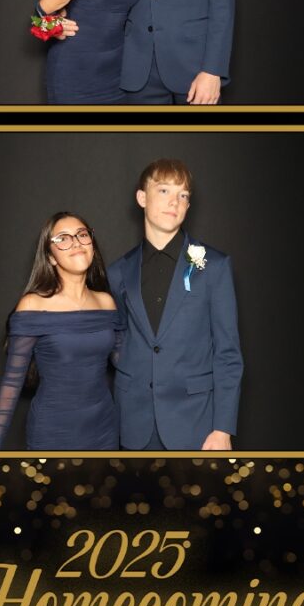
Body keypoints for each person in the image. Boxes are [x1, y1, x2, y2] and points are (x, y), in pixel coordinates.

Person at [108, 159, 243, 452]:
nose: (175, 202)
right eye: (164, 191)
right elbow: (117, 337)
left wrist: (222, 429)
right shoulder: (118, 271)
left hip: (195, 425)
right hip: (133, 423)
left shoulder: (214, 266)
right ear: (142, 198)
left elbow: (228, 353)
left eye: (183, 195)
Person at [0, 214, 122, 451]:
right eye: (63, 238)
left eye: (82, 235)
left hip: (104, 430)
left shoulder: (106, 302)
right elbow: (12, 381)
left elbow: (128, 364)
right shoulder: (33, 305)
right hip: (53, 434)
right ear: (50, 257)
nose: (76, 242)